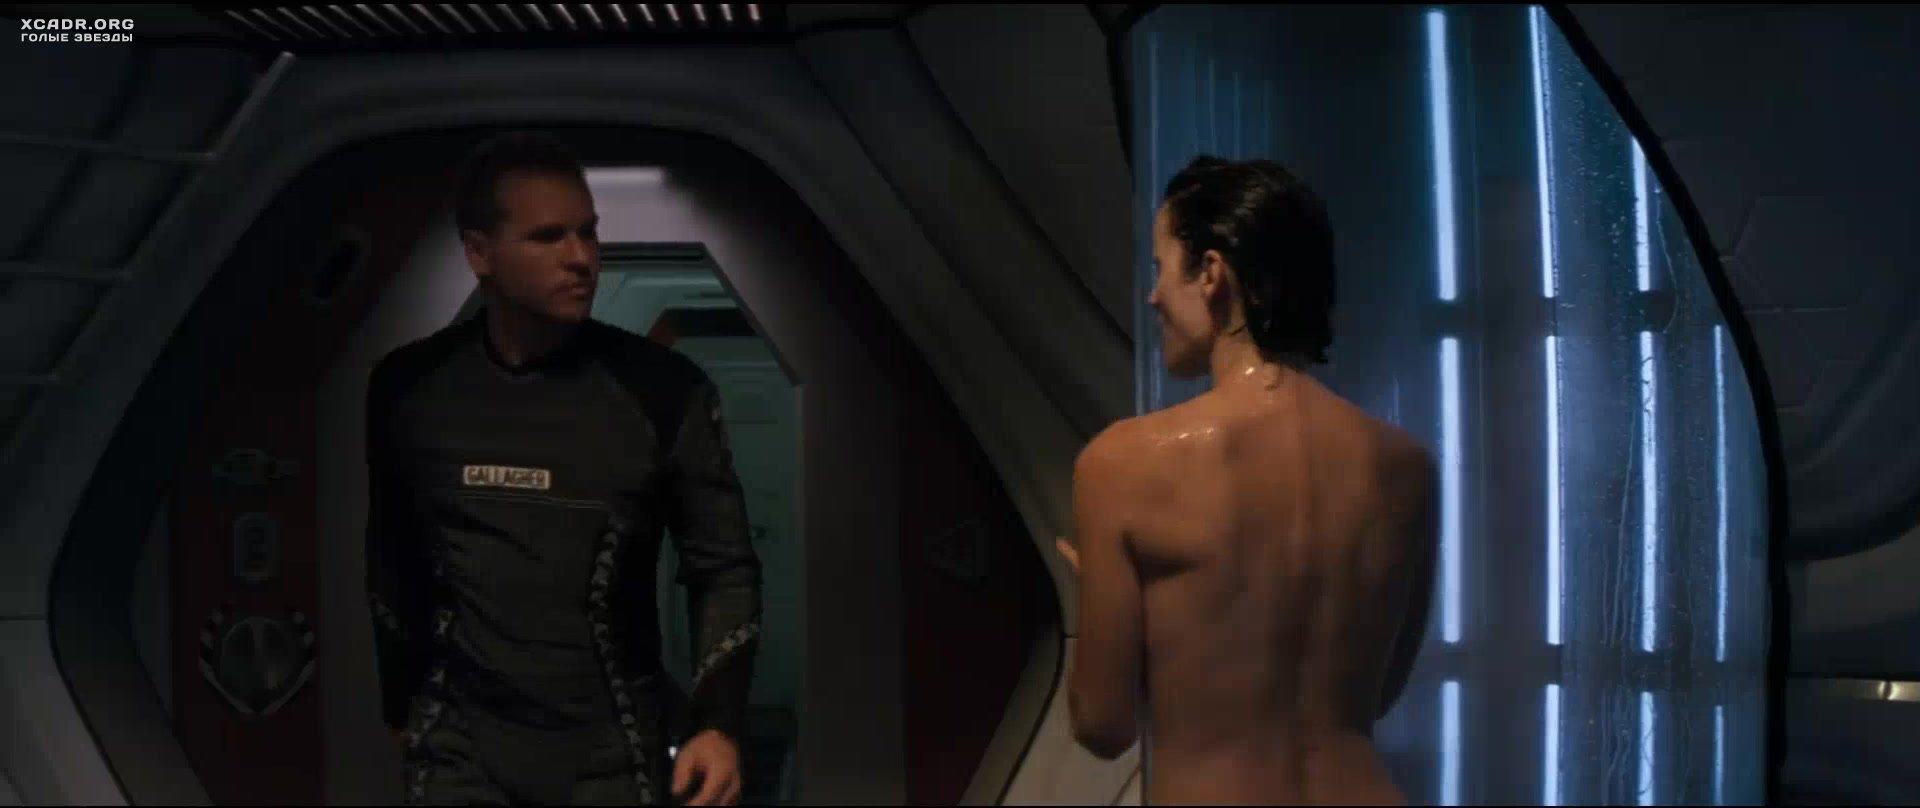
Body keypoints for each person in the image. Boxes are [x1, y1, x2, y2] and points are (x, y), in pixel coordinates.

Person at [363, 131, 761, 806]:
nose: (580, 258)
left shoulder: (665, 392)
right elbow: (390, 558)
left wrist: (718, 723)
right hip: (459, 748)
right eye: (549, 237)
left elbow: (723, 566)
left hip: (610, 755)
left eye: (588, 233)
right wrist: (398, 701)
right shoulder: (409, 388)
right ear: (479, 253)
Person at [1056, 156, 1438, 805]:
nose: (1153, 297)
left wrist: (1106, 613)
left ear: (1210, 273)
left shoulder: (1123, 463)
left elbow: (1103, 725)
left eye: (1161, 268)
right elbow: (1374, 697)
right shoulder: (1406, 467)